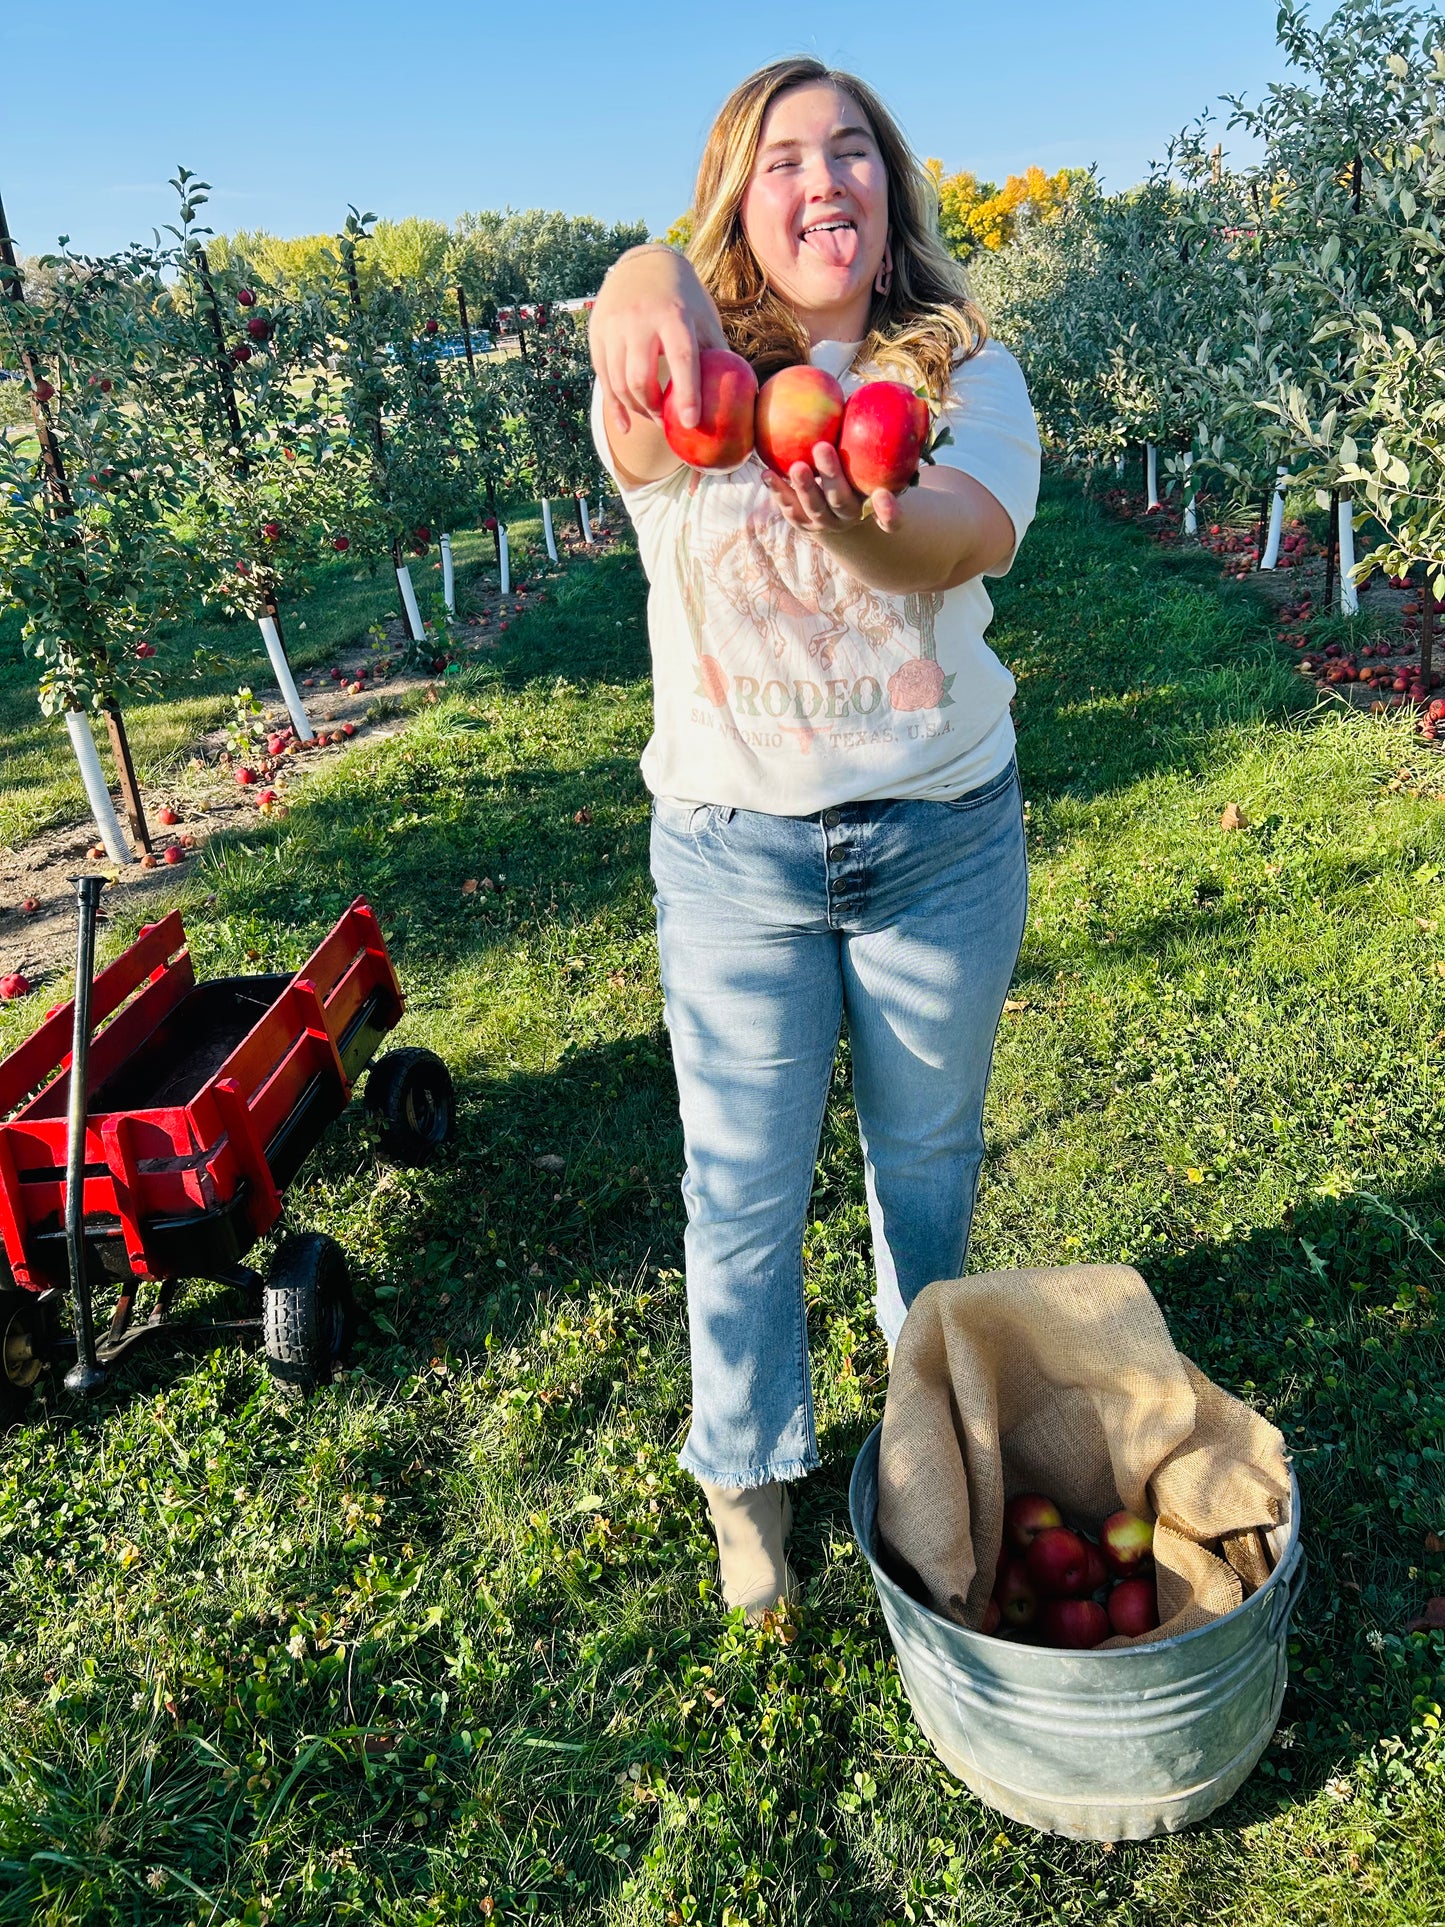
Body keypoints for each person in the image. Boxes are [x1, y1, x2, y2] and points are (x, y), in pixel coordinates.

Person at [587, 57, 1041, 1619]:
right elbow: (637, 343)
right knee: (741, 1192)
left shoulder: (964, 375)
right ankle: (745, 1479)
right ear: (739, 196)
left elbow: (957, 533)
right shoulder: (685, 380)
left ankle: (929, 1458)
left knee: (922, 1179)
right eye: (781, 158)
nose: (822, 178)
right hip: (734, 860)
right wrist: (641, 273)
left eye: (851, 149)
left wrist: (850, 504)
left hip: (937, 839)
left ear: (889, 189)